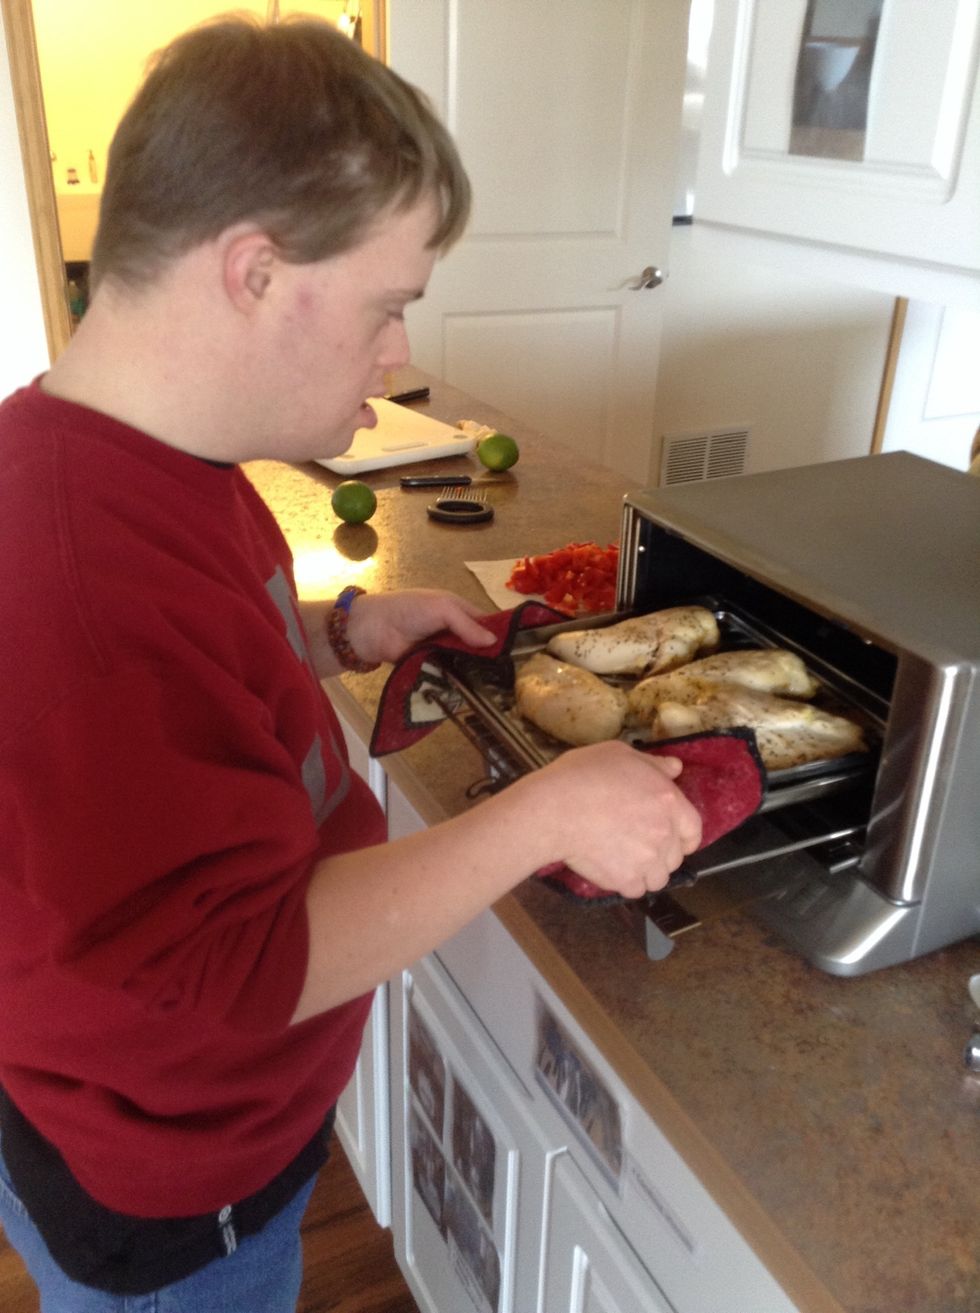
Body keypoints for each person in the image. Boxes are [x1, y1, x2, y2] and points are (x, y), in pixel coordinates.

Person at [0, 16, 701, 1312]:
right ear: (254, 272)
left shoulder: (151, 457)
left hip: (171, 1132)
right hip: (172, 1200)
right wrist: (541, 810)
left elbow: (188, 685)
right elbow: (231, 967)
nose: (398, 358)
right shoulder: (79, 595)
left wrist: (330, 635)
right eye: (387, 307)